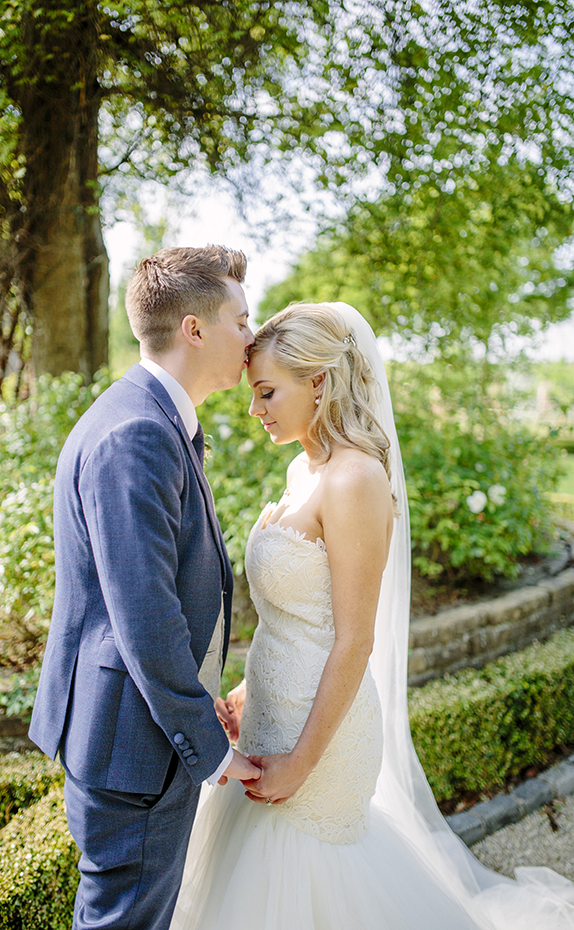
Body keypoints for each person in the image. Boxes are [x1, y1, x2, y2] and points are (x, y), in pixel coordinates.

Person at [170, 302, 574, 930]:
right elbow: (300, 614)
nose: (256, 409)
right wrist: (250, 691)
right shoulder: (300, 467)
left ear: (320, 382)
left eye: (268, 391)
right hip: (271, 715)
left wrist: (302, 762)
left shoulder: (355, 480)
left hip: (321, 737)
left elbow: (355, 638)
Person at [29, 245, 261, 930]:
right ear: (194, 328)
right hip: (135, 750)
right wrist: (211, 749)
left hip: (133, 734)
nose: (252, 337)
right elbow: (145, 616)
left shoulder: (152, 419)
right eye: (241, 320)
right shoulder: (137, 433)